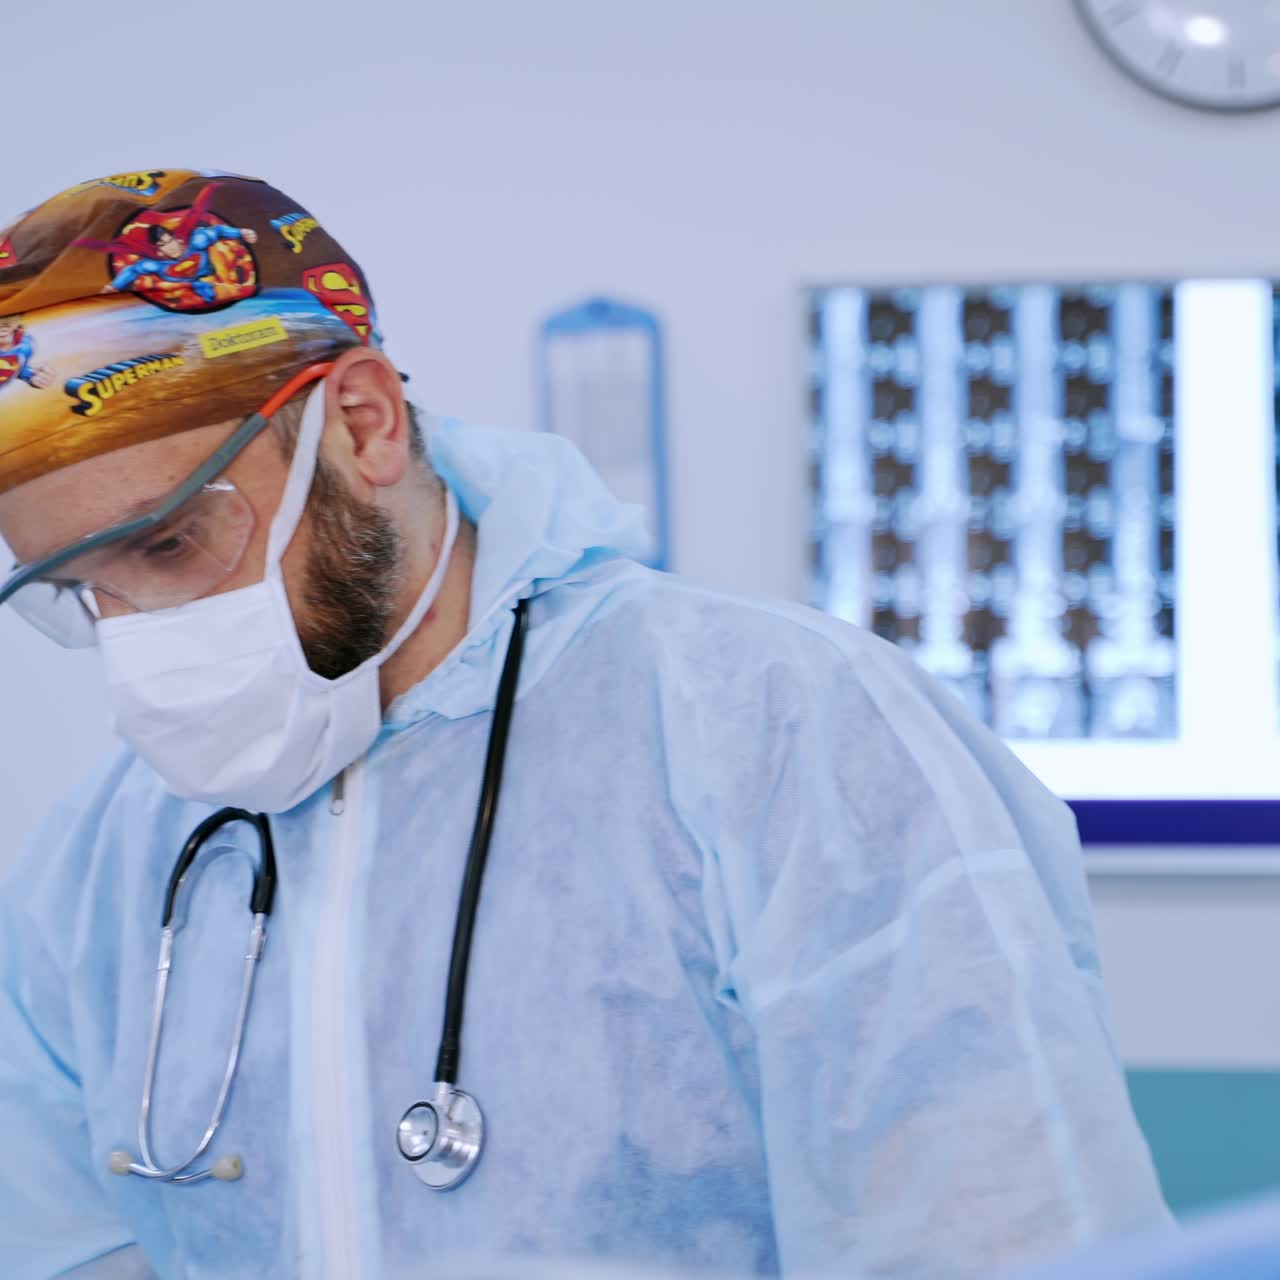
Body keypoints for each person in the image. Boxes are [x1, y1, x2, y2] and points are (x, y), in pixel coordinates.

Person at [0, 169, 1171, 1280]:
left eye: (168, 542)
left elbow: (1004, 1226)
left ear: (361, 423)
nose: (139, 624)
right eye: (78, 584)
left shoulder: (779, 732)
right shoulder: (102, 865)